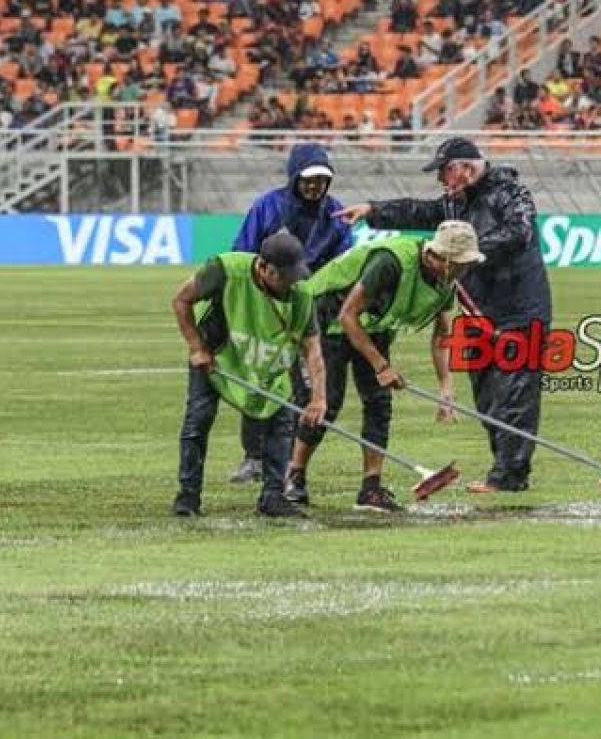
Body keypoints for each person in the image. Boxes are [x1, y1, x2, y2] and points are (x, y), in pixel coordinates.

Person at [337, 138, 551, 493]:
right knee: (486, 397)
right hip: (480, 313)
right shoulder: (456, 202)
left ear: (463, 167)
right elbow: (420, 212)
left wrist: (470, 248)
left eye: (443, 171)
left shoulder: (511, 193)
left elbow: (519, 232)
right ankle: (506, 467)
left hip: (520, 311)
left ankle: (509, 476)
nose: (441, 180)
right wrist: (373, 210)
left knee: (516, 394)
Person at [285, 221, 483, 512]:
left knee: (379, 402)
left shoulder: (445, 285)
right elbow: (347, 315)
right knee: (326, 401)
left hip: (371, 327)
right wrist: (380, 366)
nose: (465, 270)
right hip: (323, 319)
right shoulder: (390, 263)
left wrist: (445, 387)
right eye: (461, 263)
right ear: (440, 258)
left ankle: (371, 488)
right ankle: (293, 476)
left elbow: (442, 334)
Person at [170, 231, 327, 518]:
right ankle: (187, 497)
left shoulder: (302, 294)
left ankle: (273, 497)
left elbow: (312, 349)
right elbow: (181, 300)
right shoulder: (226, 271)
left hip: (267, 365)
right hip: (217, 359)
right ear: (264, 267)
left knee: (281, 425)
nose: (292, 283)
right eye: (285, 276)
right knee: (198, 421)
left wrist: (319, 398)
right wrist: (196, 347)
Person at [228, 143, 353, 484]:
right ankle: (253, 456)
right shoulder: (268, 206)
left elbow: (346, 263)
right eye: (309, 179)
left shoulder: (336, 213)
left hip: (313, 309)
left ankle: (285, 459)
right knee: (260, 380)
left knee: (303, 384)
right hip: (264, 305)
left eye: (322, 180)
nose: (315, 186)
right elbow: (242, 254)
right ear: (295, 176)